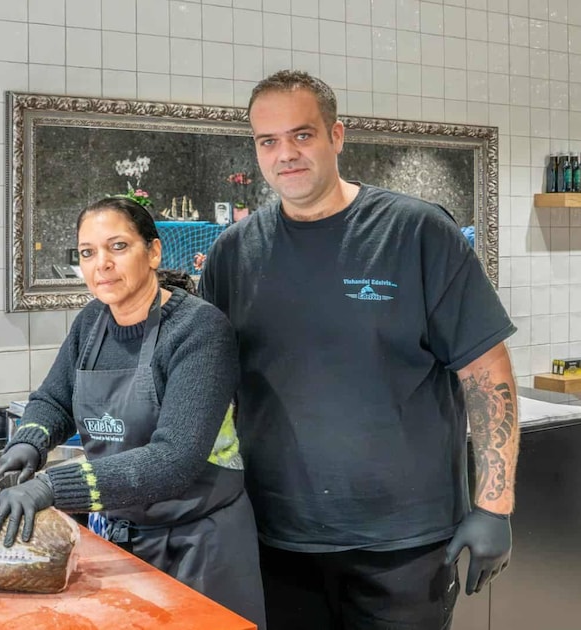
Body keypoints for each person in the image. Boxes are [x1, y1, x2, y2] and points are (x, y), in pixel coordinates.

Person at [199, 70, 520, 629]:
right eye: (267, 141)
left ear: (337, 136)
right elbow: (209, 384)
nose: (285, 154)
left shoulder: (416, 233)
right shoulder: (232, 254)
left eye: (302, 135)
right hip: (278, 536)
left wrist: (495, 504)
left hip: (405, 544)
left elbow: (484, 371)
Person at [0, 196, 267, 626]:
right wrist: (29, 441)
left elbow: (174, 459)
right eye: (88, 253)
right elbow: (54, 399)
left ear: (153, 252)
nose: (101, 264)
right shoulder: (92, 322)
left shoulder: (199, 330)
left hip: (197, 546)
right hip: (119, 539)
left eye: (118, 247)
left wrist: (51, 487)